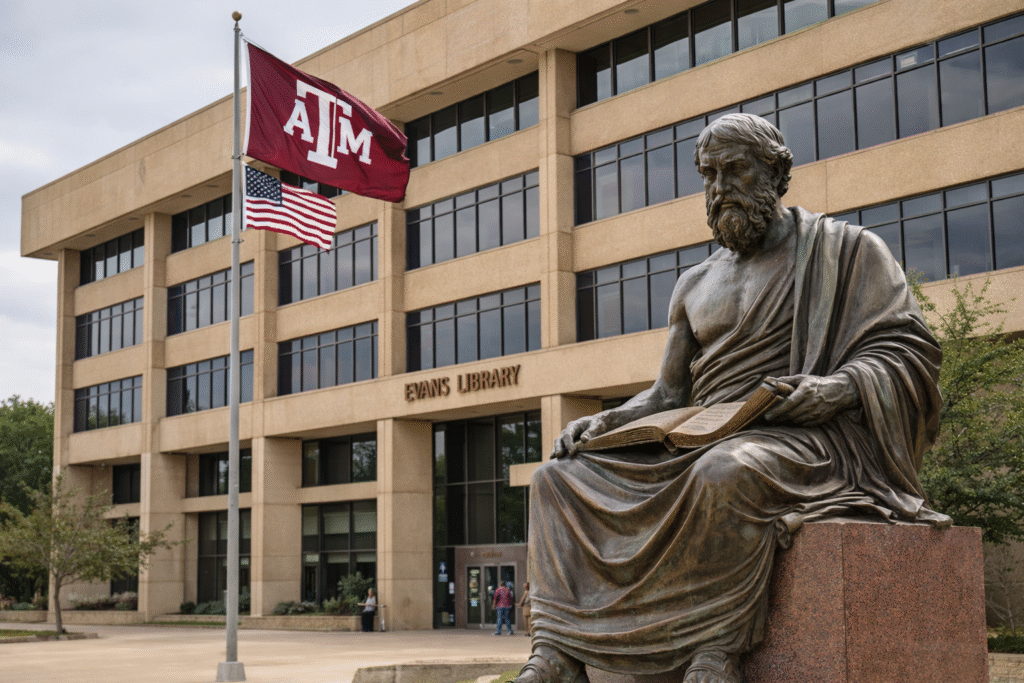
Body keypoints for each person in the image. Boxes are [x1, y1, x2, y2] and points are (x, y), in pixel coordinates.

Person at [516, 114, 951, 683]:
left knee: (725, 471)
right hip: (703, 430)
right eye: (709, 175)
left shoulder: (844, 252)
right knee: (556, 480)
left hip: (806, 438)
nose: (720, 188)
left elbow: (909, 350)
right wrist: (602, 423)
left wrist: (835, 388)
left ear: (776, 172)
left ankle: (713, 649)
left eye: (736, 169)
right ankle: (556, 650)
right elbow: (668, 393)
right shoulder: (695, 282)